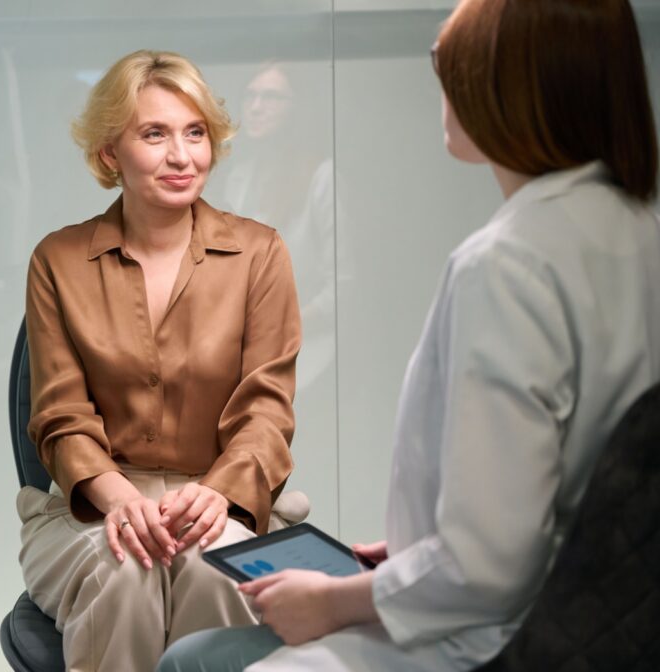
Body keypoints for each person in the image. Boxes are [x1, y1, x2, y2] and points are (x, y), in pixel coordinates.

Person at [157, 0, 660, 670]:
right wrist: (412, 555)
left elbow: (487, 566)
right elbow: (550, 502)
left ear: (504, 87)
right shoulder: (635, 228)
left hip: (495, 637)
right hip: (573, 612)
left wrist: (336, 601)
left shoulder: (507, 266)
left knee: (191, 661)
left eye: (448, 67)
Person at [17, 49, 308, 672]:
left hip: (224, 496)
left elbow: (267, 412)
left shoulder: (260, 254)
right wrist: (119, 497)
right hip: (96, 501)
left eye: (195, 132)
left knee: (214, 572)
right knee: (126, 571)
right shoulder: (58, 261)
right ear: (109, 154)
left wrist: (218, 495)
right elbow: (60, 417)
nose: (183, 156)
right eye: (155, 134)